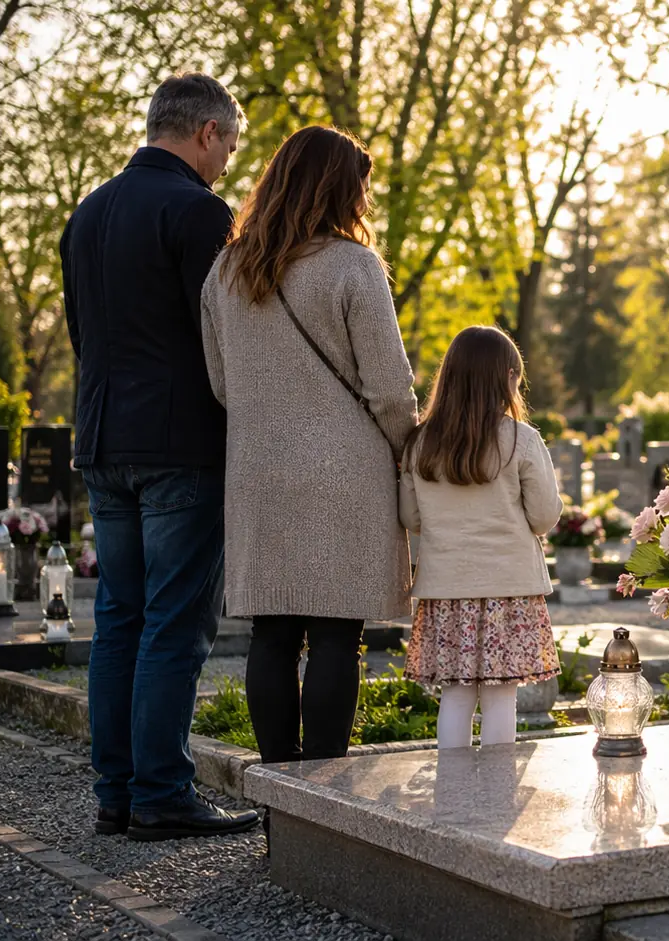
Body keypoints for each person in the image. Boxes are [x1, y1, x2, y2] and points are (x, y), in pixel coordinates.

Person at [61, 73, 260, 841]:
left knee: (119, 618)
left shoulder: (89, 213)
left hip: (102, 437)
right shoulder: (198, 211)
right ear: (206, 131)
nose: (227, 165)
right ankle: (162, 792)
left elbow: (86, 333)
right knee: (175, 622)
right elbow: (223, 338)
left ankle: (116, 793)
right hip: (179, 445)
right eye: (229, 147)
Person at [201, 126, 418, 765]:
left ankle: (277, 798)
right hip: (344, 474)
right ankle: (322, 798)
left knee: (270, 637)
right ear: (340, 190)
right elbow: (389, 388)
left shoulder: (226, 271)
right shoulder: (354, 266)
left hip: (256, 470)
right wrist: (410, 449)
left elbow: (220, 382)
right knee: (333, 637)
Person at [399, 326, 561, 749]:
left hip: (446, 588)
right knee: (500, 696)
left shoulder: (420, 443)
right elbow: (544, 517)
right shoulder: (521, 440)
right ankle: (492, 793)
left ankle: (451, 793)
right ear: (506, 377)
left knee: (454, 695)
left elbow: (410, 517)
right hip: (509, 588)